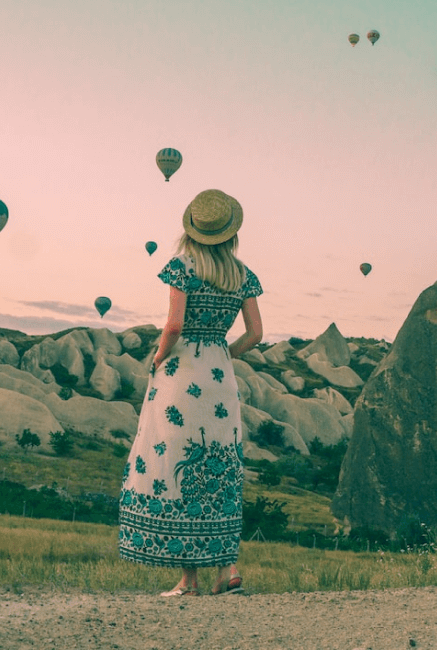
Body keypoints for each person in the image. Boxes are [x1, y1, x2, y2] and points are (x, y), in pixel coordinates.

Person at [118, 188, 264, 596]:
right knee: (221, 467)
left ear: (192, 230)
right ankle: (227, 570)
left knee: (178, 465)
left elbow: (174, 326)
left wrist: (157, 358)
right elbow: (256, 333)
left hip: (181, 376)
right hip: (220, 379)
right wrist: (225, 353)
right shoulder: (243, 275)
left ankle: (188, 580)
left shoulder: (182, 267)